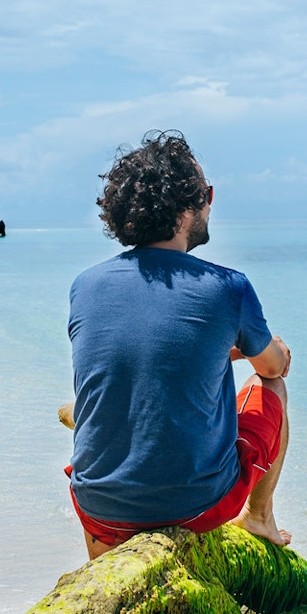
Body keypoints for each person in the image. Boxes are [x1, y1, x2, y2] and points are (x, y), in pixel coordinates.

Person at [65, 131, 293, 561]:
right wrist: (273, 350)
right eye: (207, 194)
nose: (211, 203)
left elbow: (140, 348)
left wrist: (219, 350)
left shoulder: (85, 285)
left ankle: (105, 553)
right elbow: (272, 368)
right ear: (189, 207)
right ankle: (260, 517)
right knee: (274, 390)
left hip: (95, 505)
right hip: (195, 508)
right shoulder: (228, 287)